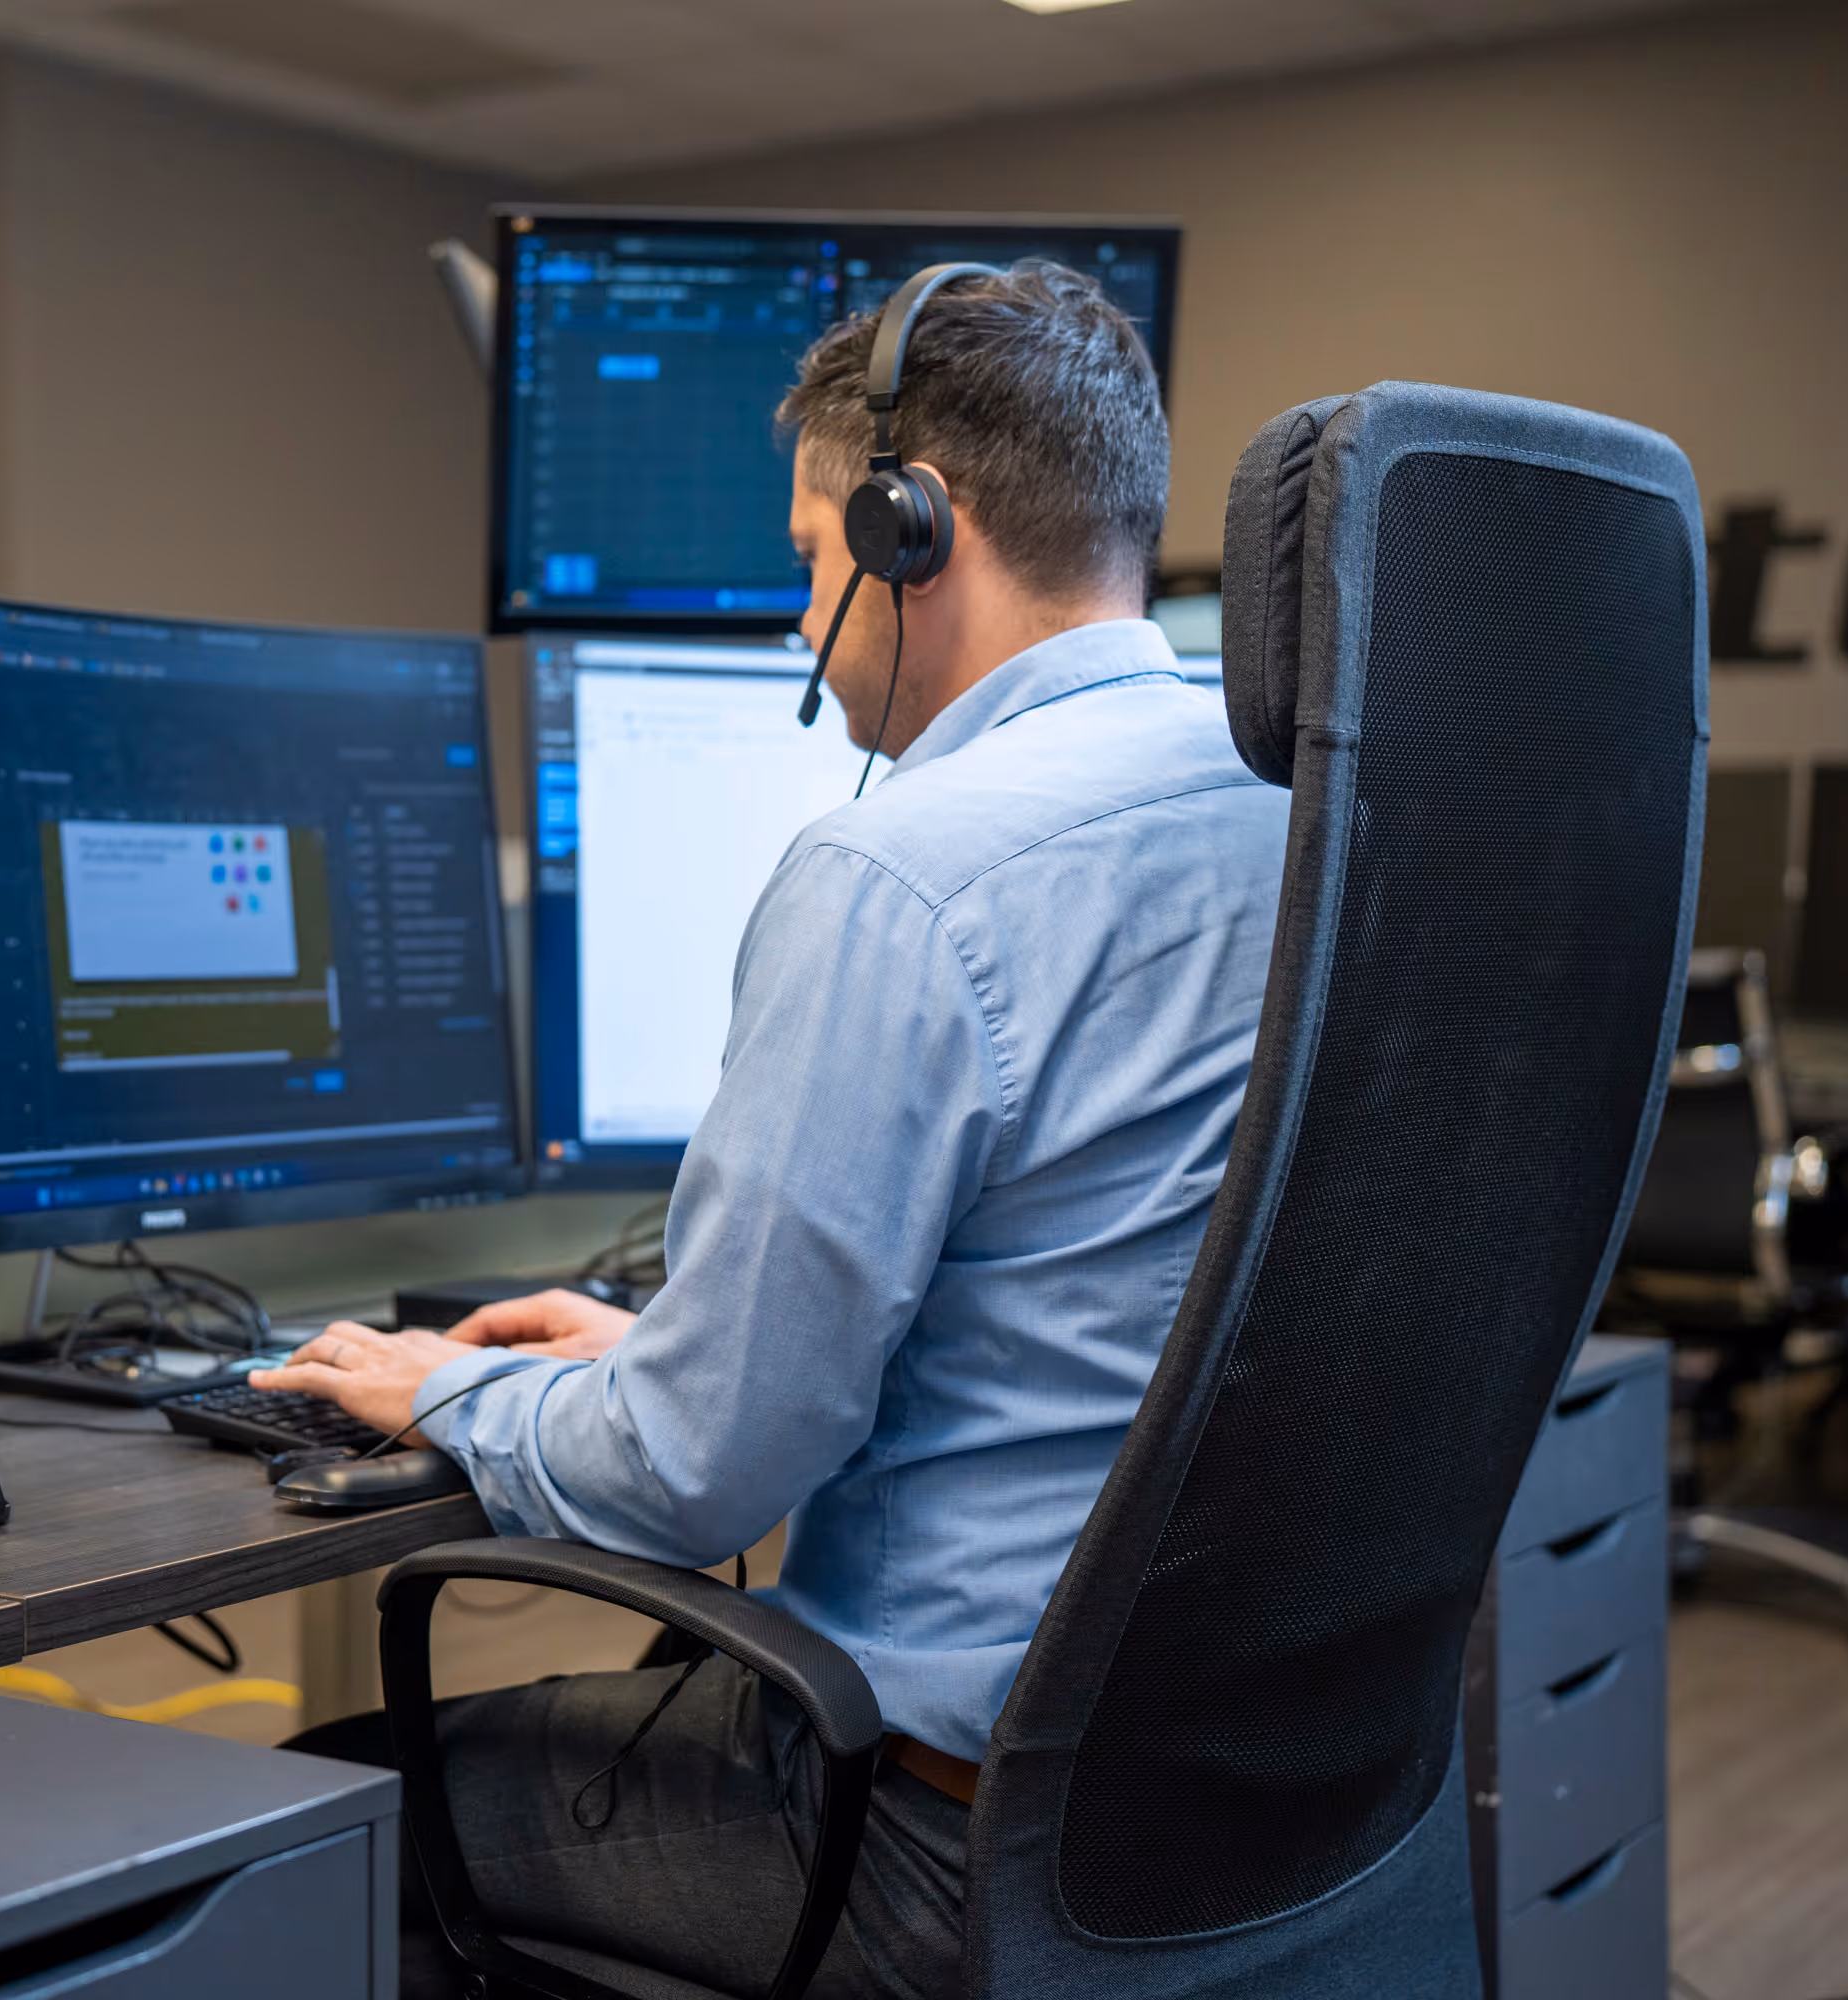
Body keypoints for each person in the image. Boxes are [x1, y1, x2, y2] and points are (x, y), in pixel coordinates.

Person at [258, 261, 1290, 1999]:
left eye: (812, 556)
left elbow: (693, 1476)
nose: (798, 614)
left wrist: (459, 1386)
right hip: (1246, 1815)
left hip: (931, 1846)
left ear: (913, 531)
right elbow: (1098, 1289)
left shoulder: (903, 874)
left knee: (307, 1824)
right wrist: (676, 1344)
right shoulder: (1297, 817)